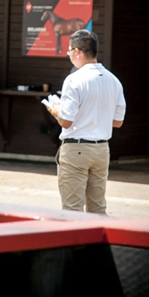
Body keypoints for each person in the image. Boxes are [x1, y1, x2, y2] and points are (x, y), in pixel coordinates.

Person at [47, 29, 126, 214]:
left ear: (77, 52)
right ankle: (99, 243)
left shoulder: (74, 79)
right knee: (97, 208)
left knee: (72, 209)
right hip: (101, 150)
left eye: (69, 52)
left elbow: (66, 122)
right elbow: (118, 122)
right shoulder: (113, 80)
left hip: (76, 149)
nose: (69, 56)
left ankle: (76, 243)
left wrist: (55, 110)